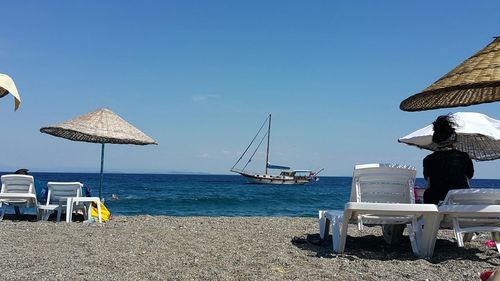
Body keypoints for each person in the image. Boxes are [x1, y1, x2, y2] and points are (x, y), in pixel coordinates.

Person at [423, 114, 474, 205]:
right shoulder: (464, 157)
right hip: (459, 205)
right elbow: (467, 178)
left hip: (435, 206)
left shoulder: (428, 160)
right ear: (453, 138)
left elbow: (429, 183)